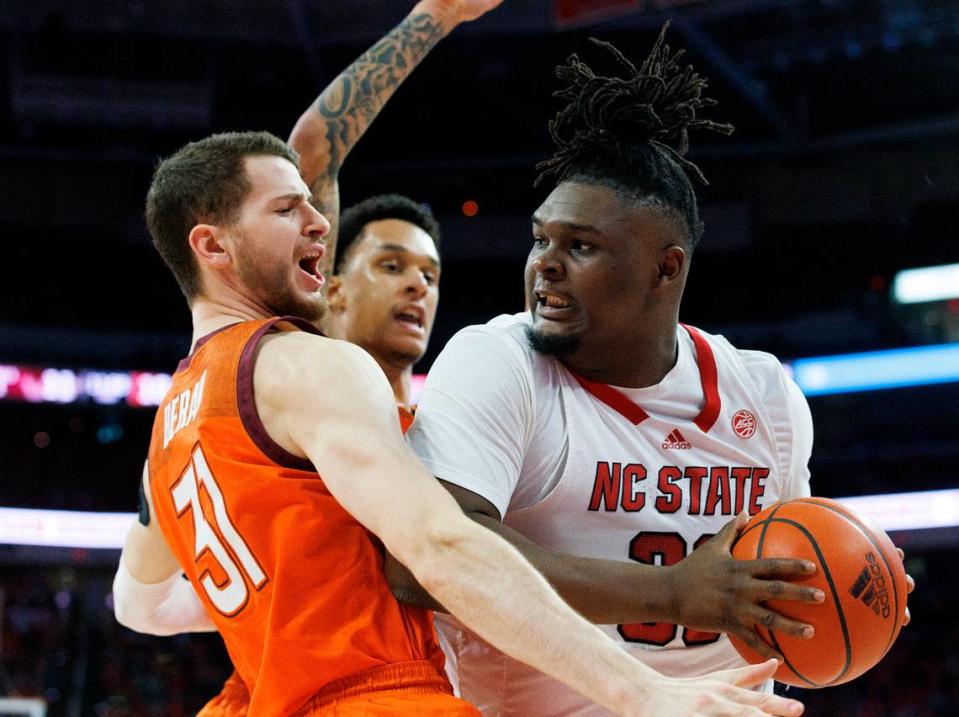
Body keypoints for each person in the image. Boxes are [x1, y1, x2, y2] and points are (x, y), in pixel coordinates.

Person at [112, 130, 805, 717]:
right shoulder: (311, 365)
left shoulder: (173, 428)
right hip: (378, 694)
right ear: (212, 245)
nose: (319, 221)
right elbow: (439, 546)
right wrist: (642, 691)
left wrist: (306, 585)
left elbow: (143, 606)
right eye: (288, 209)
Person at [399, 26, 825, 715]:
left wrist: (853, 597)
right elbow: (425, 557)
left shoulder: (764, 395)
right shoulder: (498, 360)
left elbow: (789, 590)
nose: (545, 263)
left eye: (581, 245)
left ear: (665, 267)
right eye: (540, 238)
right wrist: (669, 592)